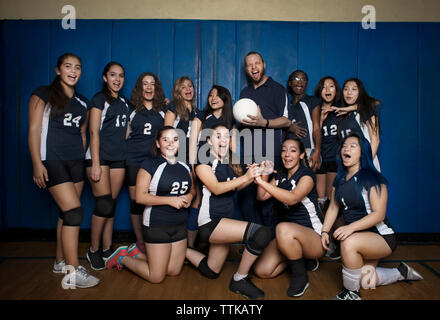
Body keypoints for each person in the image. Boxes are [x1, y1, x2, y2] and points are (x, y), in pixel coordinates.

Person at [321, 132, 423, 300]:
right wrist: (325, 231)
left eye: (353, 146)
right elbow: (333, 207)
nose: (346, 149)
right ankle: (400, 272)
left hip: (381, 237)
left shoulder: (374, 179)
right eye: (344, 146)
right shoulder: (339, 180)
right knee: (364, 279)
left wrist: (350, 228)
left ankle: (351, 294)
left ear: (363, 152)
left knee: (348, 243)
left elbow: (379, 214)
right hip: (359, 237)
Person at [28, 53, 99, 288]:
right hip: (53, 160)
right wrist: (38, 163)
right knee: (74, 212)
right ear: (58, 69)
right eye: (68, 66)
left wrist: (83, 160)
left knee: (66, 213)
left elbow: (82, 133)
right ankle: (72, 269)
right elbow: (34, 130)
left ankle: (59, 261)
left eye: (77, 67)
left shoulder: (83, 102)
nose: (73, 71)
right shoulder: (43, 94)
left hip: (75, 161)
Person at [186, 124, 271, 299]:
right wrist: (245, 177)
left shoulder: (230, 161)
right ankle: (240, 279)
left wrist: (258, 173)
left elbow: (237, 187)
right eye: (218, 136)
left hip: (224, 222)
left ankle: (181, 250)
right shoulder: (203, 161)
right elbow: (216, 188)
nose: (223, 140)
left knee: (212, 270)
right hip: (210, 222)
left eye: (227, 136)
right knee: (261, 234)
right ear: (209, 141)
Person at [106, 126, 195, 284]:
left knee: (174, 271)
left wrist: (189, 195)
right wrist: (170, 200)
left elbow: (193, 190)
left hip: (180, 224)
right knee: (156, 277)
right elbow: (139, 197)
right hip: (157, 224)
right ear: (158, 143)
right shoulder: (150, 164)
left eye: (175, 139)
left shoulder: (185, 165)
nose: (170, 143)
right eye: (165, 139)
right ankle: (123, 257)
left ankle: (137, 253)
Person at [253, 138, 324, 297]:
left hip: (315, 237)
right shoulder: (281, 176)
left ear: (301, 155)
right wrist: (265, 174)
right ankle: (300, 259)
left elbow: (292, 198)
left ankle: (300, 276)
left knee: (283, 227)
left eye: (292, 150)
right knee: (262, 270)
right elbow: (262, 196)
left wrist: (259, 181)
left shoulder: (307, 176)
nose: (287, 155)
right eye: (284, 150)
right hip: (288, 237)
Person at [237, 51, 291, 233]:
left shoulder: (277, 89)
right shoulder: (244, 93)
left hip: (270, 152)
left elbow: (287, 120)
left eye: (257, 63)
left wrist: (264, 122)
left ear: (264, 64)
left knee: (268, 203)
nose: (253, 67)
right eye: (249, 64)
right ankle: (253, 244)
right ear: (246, 69)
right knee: (247, 201)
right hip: (249, 154)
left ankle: (271, 247)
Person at [85, 62, 131, 270]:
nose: (117, 79)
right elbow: (93, 132)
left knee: (110, 205)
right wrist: (95, 163)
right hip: (100, 158)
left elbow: (128, 128)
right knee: (103, 204)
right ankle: (93, 250)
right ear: (105, 77)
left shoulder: (124, 101)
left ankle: (106, 248)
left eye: (120, 76)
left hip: (118, 158)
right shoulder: (99, 99)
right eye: (113, 75)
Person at [187, 85, 236, 247]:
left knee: (221, 197)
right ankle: (190, 245)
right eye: (210, 95)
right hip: (202, 164)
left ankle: (212, 241)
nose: (213, 98)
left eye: (217, 96)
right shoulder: (201, 115)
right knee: (197, 200)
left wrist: (235, 168)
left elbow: (232, 149)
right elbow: (192, 142)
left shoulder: (231, 120)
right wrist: (193, 167)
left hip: (221, 165)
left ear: (225, 99)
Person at [126, 72, 167, 252]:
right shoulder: (131, 109)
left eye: (152, 84)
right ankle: (140, 240)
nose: (149, 87)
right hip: (134, 159)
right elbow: (125, 135)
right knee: (136, 201)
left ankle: (155, 238)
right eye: (145, 84)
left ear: (156, 88)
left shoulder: (164, 110)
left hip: (155, 161)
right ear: (140, 87)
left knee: (154, 199)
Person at [164, 77, 199, 247]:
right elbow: (166, 135)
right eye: (183, 87)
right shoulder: (173, 108)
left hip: (193, 160)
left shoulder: (197, 111)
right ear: (178, 91)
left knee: (194, 199)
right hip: (177, 161)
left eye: (190, 85)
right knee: (177, 199)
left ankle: (189, 245)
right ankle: (173, 242)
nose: (187, 89)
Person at [338, 78, 381, 171]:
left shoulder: (366, 111)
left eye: (354, 89)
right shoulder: (343, 115)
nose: (349, 92)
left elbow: (375, 140)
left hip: (365, 166)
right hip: (348, 167)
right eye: (346, 89)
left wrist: (365, 164)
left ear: (360, 92)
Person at [286, 70, 322, 173]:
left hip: (308, 150)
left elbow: (316, 127)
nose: (300, 81)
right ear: (290, 83)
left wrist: (317, 150)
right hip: (291, 153)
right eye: (296, 79)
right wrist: (290, 128)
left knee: (308, 184)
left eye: (303, 79)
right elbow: (281, 130)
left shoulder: (312, 101)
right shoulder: (287, 105)